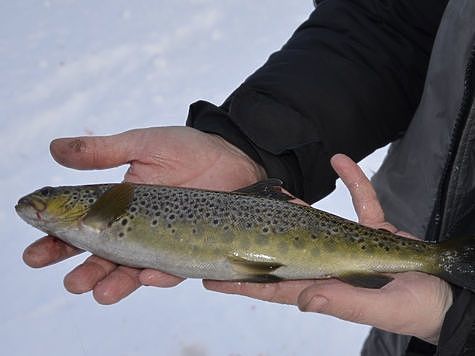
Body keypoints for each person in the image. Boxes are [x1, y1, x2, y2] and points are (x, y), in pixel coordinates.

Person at [22, 0, 475, 355]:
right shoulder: (98, 216)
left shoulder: (105, 206)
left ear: (81, 200)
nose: (39, 202)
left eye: (49, 194)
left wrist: (461, 324)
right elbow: (390, 23)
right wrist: (250, 144)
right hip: (408, 302)